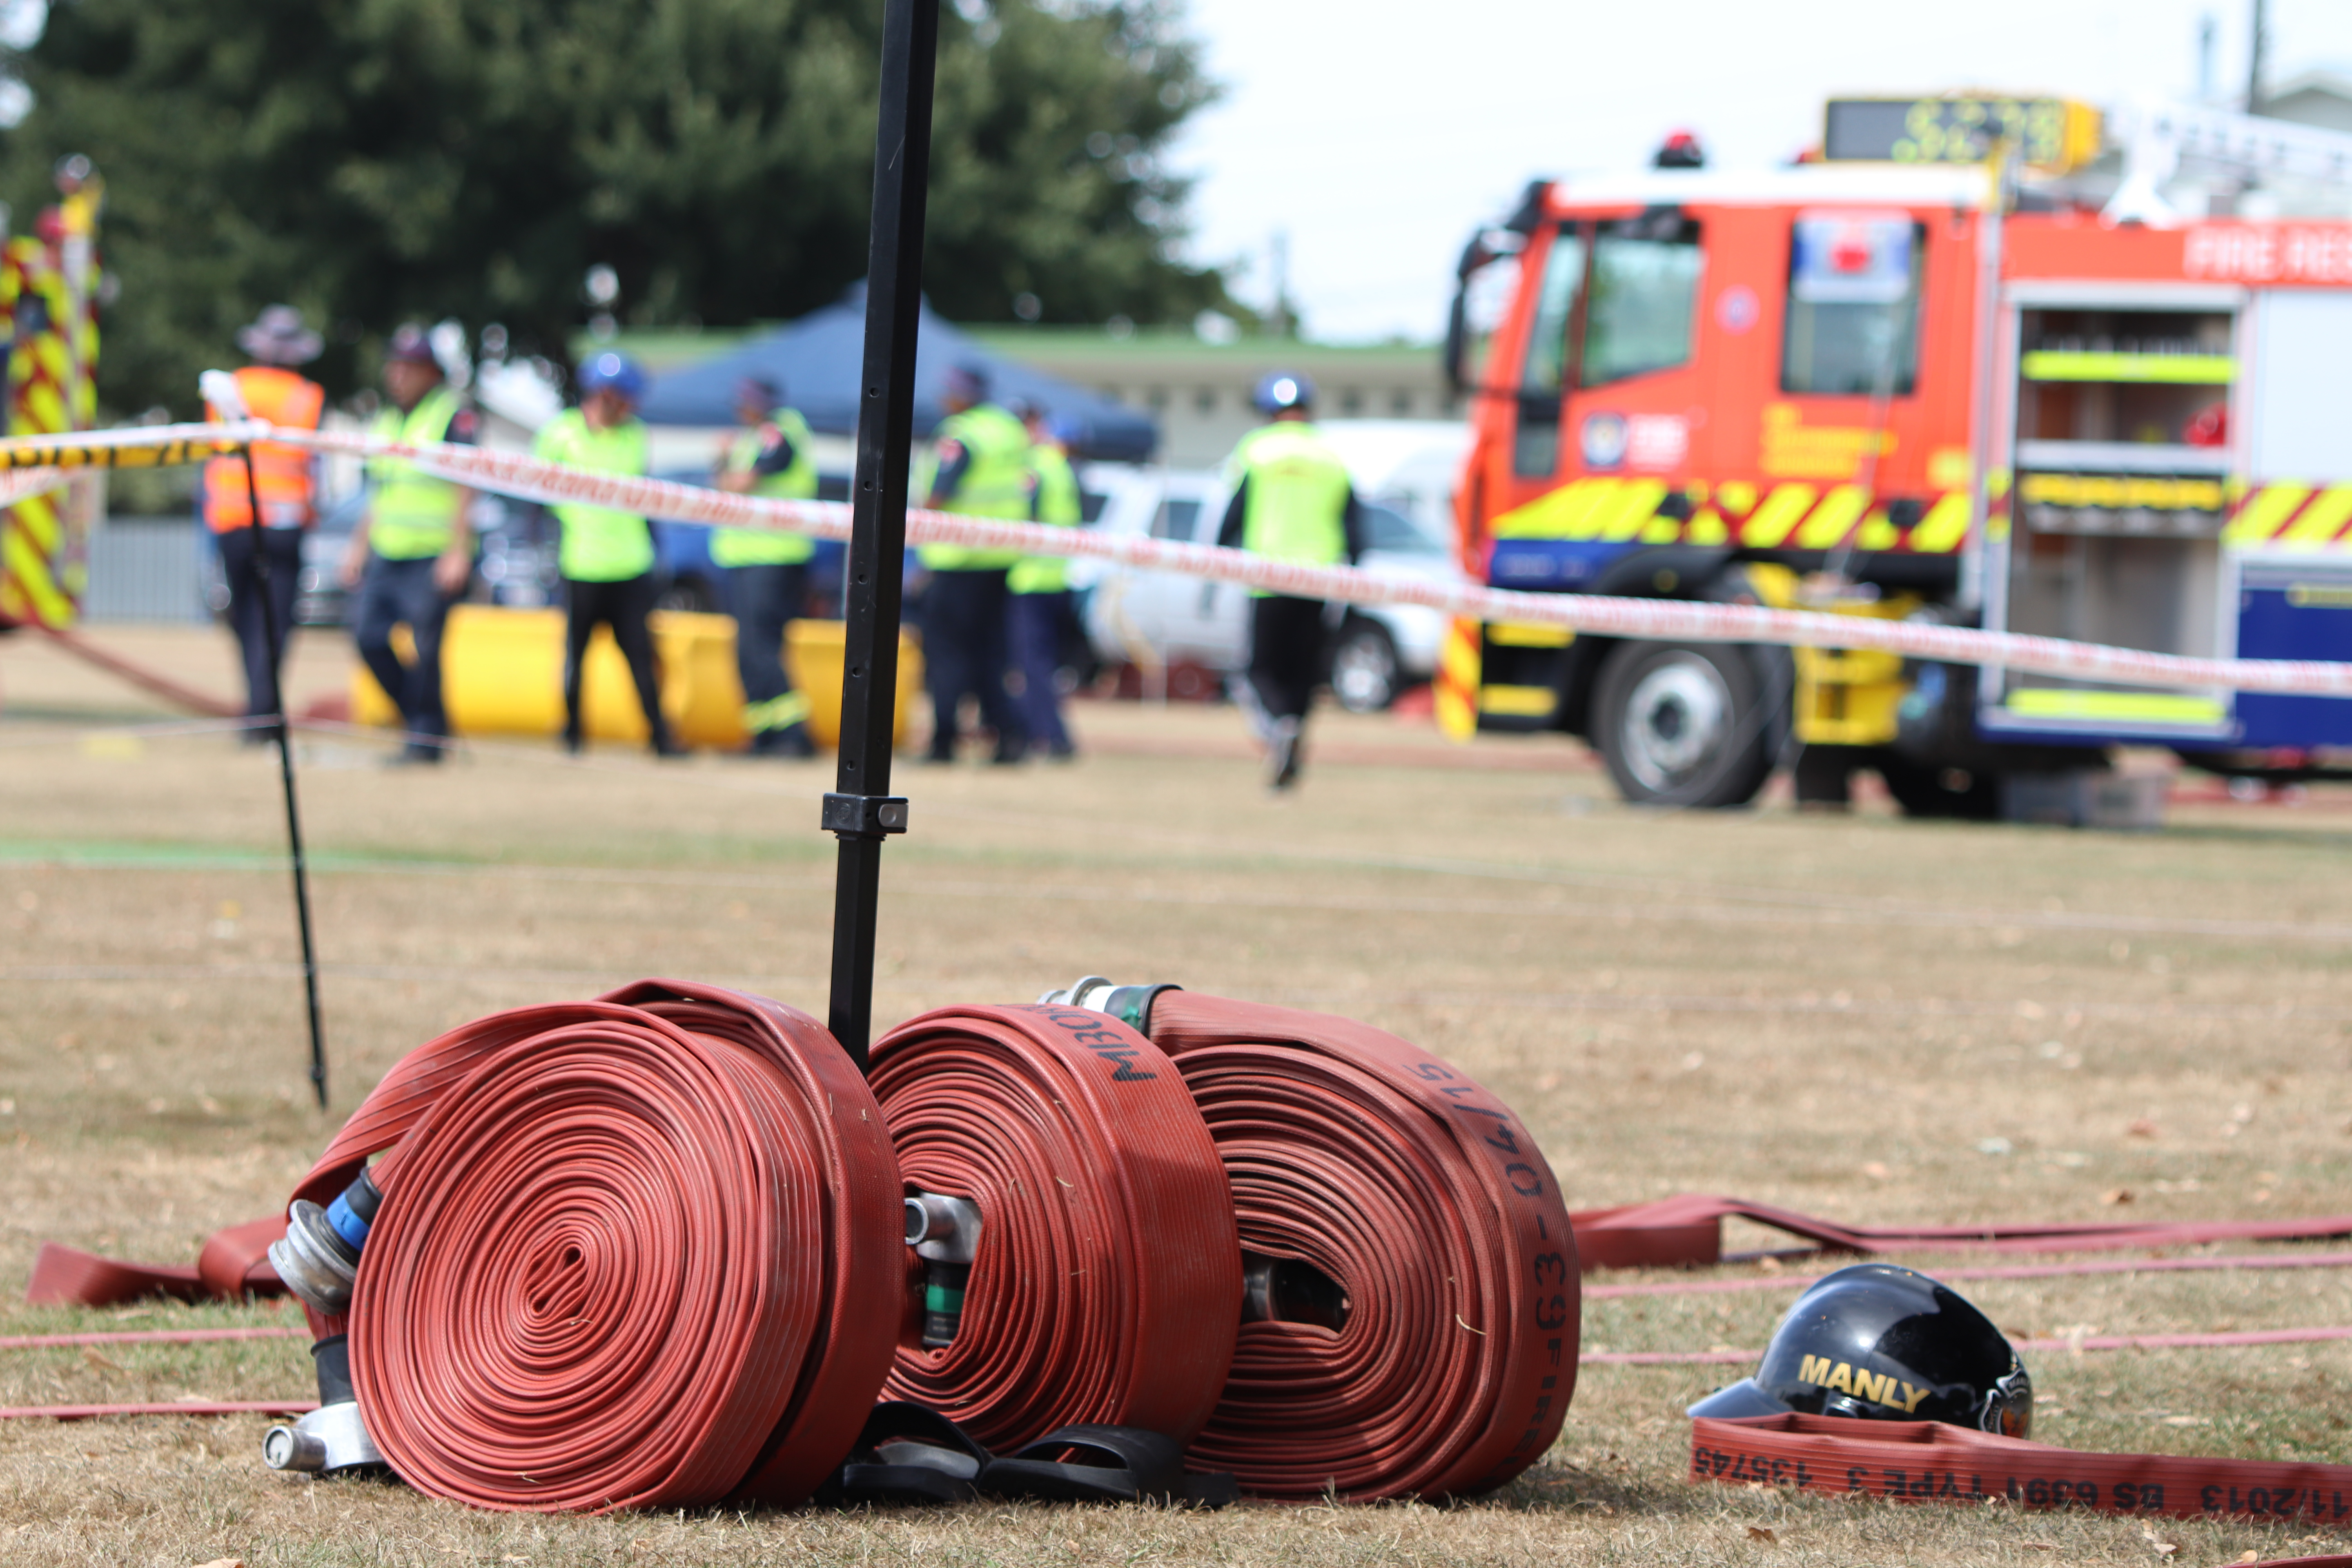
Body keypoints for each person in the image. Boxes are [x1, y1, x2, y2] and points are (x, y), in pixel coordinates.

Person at [1215, 370, 1364, 790]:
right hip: (1318, 577)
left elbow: (1234, 513)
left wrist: (1212, 561)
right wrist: (1354, 580)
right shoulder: (1330, 455)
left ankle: (1280, 727)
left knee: (1261, 668)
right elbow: (1354, 525)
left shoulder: (1256, 450)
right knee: (1303, 669)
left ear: (1268, 412)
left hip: (1268, 574)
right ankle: (1294, 730)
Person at [340, 325, 477, 764]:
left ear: (432, 372)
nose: (397, 375)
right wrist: (358, 548)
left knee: (426, 647)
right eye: (394, 365)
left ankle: (424, 739)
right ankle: (426, 722)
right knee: (367, 637)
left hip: (433, 551)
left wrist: (458, 549)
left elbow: (466, 486)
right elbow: (380, 492)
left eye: (408, 366)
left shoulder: (452, 414)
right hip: (387, 549)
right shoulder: (385, 420)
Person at [532, 350, 678, 757]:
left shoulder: (635, 435)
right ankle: (573, 736)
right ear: (606, 394)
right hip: (581, 563)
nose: (633, 405)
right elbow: (538, 494)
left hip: (631, 565)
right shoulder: (559, 435)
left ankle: (660, 738)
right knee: (575, 659)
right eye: (626, 396)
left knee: (642, 659)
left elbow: (643, 496)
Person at [201, 305, 327, 737]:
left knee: (244, 616)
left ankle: (258, 710)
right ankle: (263, 713)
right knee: (275, 622)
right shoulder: (307, 395)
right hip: (284, 523)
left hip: (232, 519)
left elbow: (215, 446)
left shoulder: (230, 387)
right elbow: (310, 460)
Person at [916, 363, 1029, 764]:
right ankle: (1011, 737)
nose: (944, 399)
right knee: (990, 653)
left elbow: (939, 494)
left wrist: (914, 526)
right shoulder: (1008, 429)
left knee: (947, 654)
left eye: (949, 391)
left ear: (963, 394)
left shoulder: (961, 434)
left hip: (958, 558)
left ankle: (943, 741)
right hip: (999, 556)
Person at [711, 375, 819, 758]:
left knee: (763, 647)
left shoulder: (780, 431)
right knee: (747, 650)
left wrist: (724, 462)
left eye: (748, 400)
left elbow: (738, 485)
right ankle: (764, 734)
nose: (741, 407)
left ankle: (794, 735)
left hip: (774, 557)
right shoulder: (753, 437)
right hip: (745, 557)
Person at [1007, 406, 1083, 760]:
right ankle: (1047, 734)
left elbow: (1026, 516)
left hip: (1030, 577)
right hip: (1056, 577)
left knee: (1031, 665)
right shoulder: (1061, 467)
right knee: (1042, 665)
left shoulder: (1035, 464)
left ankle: (1047, 736)